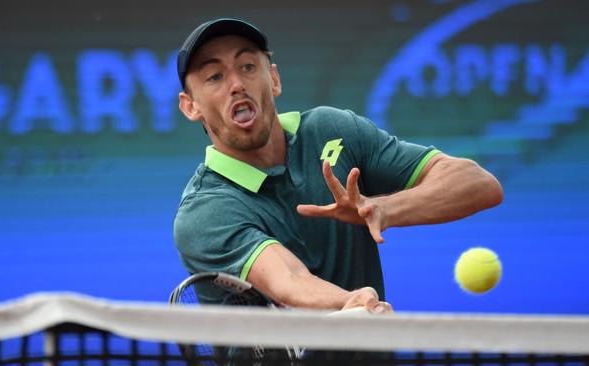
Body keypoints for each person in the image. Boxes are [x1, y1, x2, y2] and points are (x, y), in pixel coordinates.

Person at [173, 18, 503, 314]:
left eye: (247, 66)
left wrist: (383, 209)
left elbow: (479, 184)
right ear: (190, 107)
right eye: (214, 76)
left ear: (273, 79)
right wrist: (350, 302)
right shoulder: (204, 212)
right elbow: (288, 279)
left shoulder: (332, 131)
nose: (236, 84)